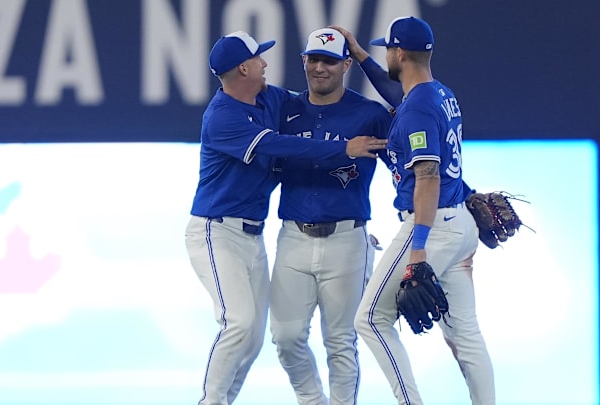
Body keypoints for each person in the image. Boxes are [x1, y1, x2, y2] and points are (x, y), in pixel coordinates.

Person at [185, 31, 386, 405]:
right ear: (244, 67)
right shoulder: (222, 117)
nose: (265, 63)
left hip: (259, 235)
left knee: (258, 335)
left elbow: (407, 123)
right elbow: (280, 145)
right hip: (217, 229)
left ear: (343, 64)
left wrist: (362, 57)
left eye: (329, 60)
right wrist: (343, 147)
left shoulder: (273, 100)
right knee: (244, 324)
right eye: (259, 58)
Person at [331, 17, 496, 405]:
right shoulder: (438, 93)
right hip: (458, 223)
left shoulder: (417, 109)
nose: (384, 54)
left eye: (386, 48)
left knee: (370, 319)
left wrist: (418, 250)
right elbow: (400, 95)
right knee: (466, 334)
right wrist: (362, 57)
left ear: (399, 52)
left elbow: (427, 177)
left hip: (430, 226)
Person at [269, 28, 392, 405]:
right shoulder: (285, 110)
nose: (320, 68)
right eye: (314, 59)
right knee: (286, 337)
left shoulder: (369, 114)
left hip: (346, 238)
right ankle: (312, 400)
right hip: (293, 234)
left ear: (346, 64)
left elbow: (411, 163)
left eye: (330, 61)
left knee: (340, 341)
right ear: (303, 60)